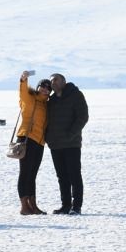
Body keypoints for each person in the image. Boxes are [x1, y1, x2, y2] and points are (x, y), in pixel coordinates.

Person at [45, 73, 89, 215]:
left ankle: (76, 206)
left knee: (74, 175)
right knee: (62, 176)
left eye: (56, 80)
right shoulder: (51, 100)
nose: (53, 83)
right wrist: (48, 138)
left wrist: (71, 134)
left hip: (72, 143)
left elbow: (83, 117)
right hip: (55, 144)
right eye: (52, 81)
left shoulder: (76, 95)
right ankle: (65, 205)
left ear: (64, 81)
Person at [17, 71, 50, 215]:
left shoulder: (47, 105)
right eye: (43, 86)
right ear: (37, 87)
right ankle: (24, 206)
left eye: (48, 88)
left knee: (33, 174)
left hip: (40, 142)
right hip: (27, 138)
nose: (45, 89)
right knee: (25, 173)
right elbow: (23, 89)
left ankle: (33, 205)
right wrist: (23, 79)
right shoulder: (28, 98)